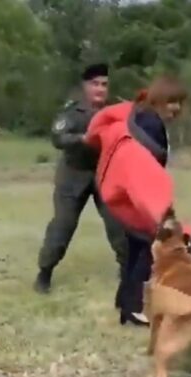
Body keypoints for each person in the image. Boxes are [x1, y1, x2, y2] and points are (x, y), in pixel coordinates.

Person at [85, 76, 191, 327]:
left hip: (120, 195)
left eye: (180, 102)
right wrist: (171, 222)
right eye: (171, 102)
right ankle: (134, 307)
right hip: (131, 197)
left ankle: (125, 304)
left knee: (134, 250)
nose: (176, 109)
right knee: (145, 252)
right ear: (157, 100)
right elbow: (143, 174)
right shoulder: (148, 126)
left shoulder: (141, 119)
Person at [35, 63, 128, 294]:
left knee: (119, 224)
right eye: (95, 84)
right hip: (72, 176)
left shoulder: (115, 111)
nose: (100, 89)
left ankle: (127, 269)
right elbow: (58, 138)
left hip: (104, 174)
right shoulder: (72, 112)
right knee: (62, 226)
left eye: (104, 84)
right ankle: (44, 273)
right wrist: (82, 139)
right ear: (85, 86)